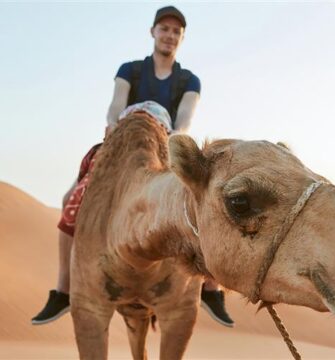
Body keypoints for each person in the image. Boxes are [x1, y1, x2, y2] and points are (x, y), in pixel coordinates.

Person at [31, 5, 234, 328]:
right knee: (72, 199)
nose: (169, 36)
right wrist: (115, 125)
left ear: (181, 38)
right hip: (123, 145)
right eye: (164, 29)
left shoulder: (188, 80)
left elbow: (184, 122)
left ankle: (211, 287)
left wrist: (169, 139)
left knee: (198, 200)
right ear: (153, 32)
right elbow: (114, 107)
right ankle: (64, 290)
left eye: (175, 32)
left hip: (165, 145)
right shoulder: (131, 71)